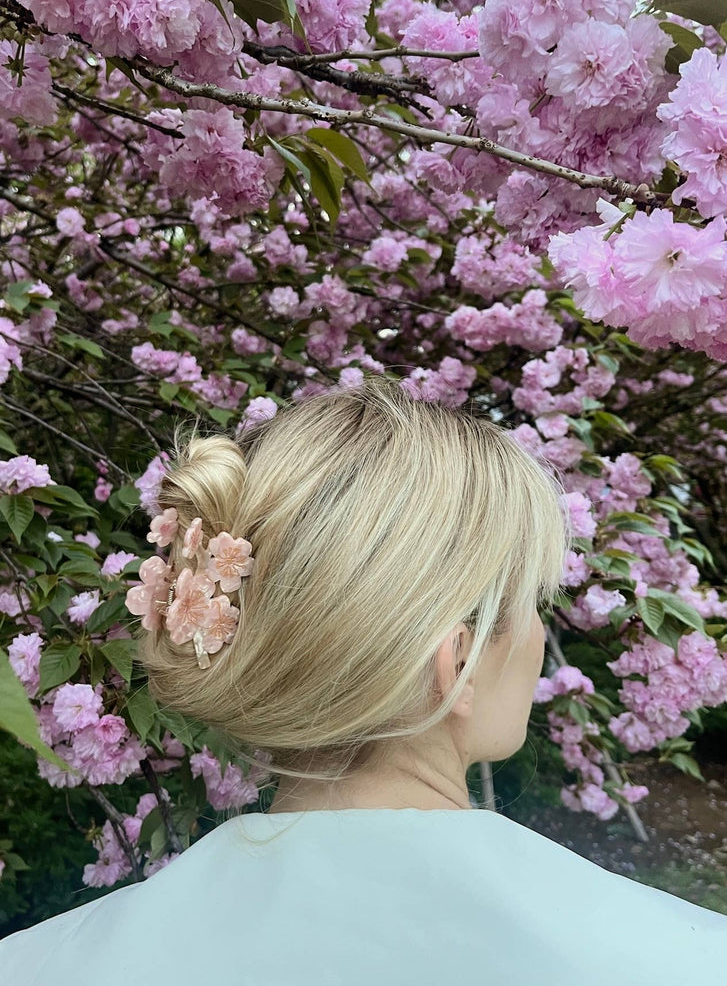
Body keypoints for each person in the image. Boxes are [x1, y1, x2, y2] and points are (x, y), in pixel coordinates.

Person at [1, 377, 725, 984]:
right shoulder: (676, 959)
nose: (539, 637)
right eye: (532, 604)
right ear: (456, 662)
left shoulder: (39, 964)